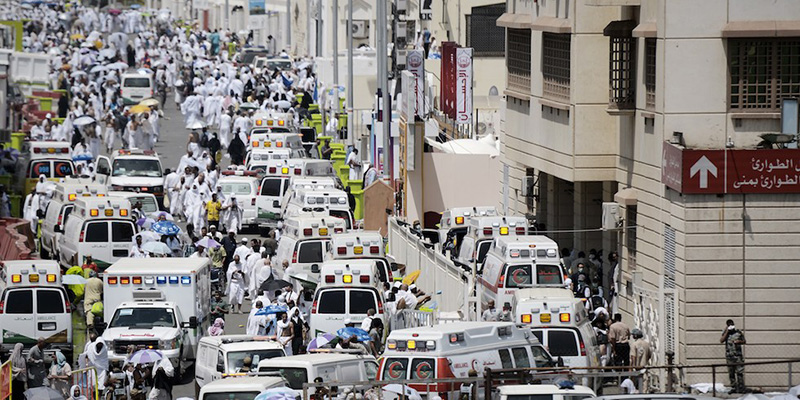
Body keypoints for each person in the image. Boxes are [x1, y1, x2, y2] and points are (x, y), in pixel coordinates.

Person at [721, 319, 746, 393]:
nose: (731, 326)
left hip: (738, 356)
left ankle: (741, 387)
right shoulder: (726, 333)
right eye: (729, 325)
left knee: (740, 372)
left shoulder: (738, 332)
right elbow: (721, 340)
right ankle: (734, 387)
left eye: (732, 324)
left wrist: (739, 342)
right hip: (730, 356)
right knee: (731, 373)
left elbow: (744, 341)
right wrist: (727, 331)